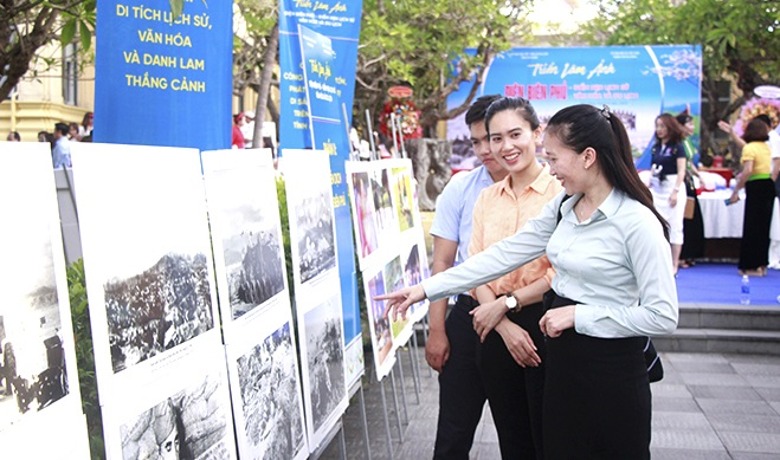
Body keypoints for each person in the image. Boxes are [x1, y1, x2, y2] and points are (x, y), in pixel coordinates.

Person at [379, 104, 678, 460]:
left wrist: (578, 317)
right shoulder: (565, 207)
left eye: (555, 158)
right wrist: (425, 290)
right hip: (563, 360)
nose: (551, 169)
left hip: (611, 367)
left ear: (587, 157)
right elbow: (501, 255)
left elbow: (662, 315)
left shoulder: (636, 222)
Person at [467, 97, 561, 459]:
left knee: (550, 436)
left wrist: (510, 304)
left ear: (537, 133)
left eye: (515, 134)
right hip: (492, 326)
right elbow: (476, 268)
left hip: (546, 322)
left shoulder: (562, 191)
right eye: (495, 138)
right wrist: (502, 323)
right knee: (513, 437)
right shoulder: (487, 198)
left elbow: (562, 272)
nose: (505, 147)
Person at [426, 94, 507, 459]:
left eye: (491, 138)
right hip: (467, 317)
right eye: (475, 141)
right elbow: (442, 264)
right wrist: (437, 330)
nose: (485, 149)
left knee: (523, 434)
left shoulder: (549, 189)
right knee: (453, 432)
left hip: (520, 317)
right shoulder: (460, 188)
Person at [728, 119, 775, 276]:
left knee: (752, 227)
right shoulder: (765, 147)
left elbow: (748, 170)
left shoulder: (750, 148)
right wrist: (732, 133)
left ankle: (750, 265)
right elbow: (745, 147)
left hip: (755, 186)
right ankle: (761, 264)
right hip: (767, 184)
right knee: (763, 227)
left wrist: (737, 189)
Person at [649, 113, 687, 275]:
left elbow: (681, 171)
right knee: (656, 226)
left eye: (663, 126)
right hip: (657, 187)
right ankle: (658, 262)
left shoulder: (678, 147)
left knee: (675, 226)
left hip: (672, 187)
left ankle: (674, 264)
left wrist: (675, 191)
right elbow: (653, 167)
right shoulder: (656, 147)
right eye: (657, 126)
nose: (659, 130)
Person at [675, 111, 704, 267]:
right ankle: (681, 255)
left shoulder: (688, 142)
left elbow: (689, 163)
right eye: (689, 123)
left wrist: (700, 175)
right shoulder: (677, 143)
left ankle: (691, 253)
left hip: (690, 180)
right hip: (683, 182)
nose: (692, 127)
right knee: (684, 218)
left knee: (693, 217)